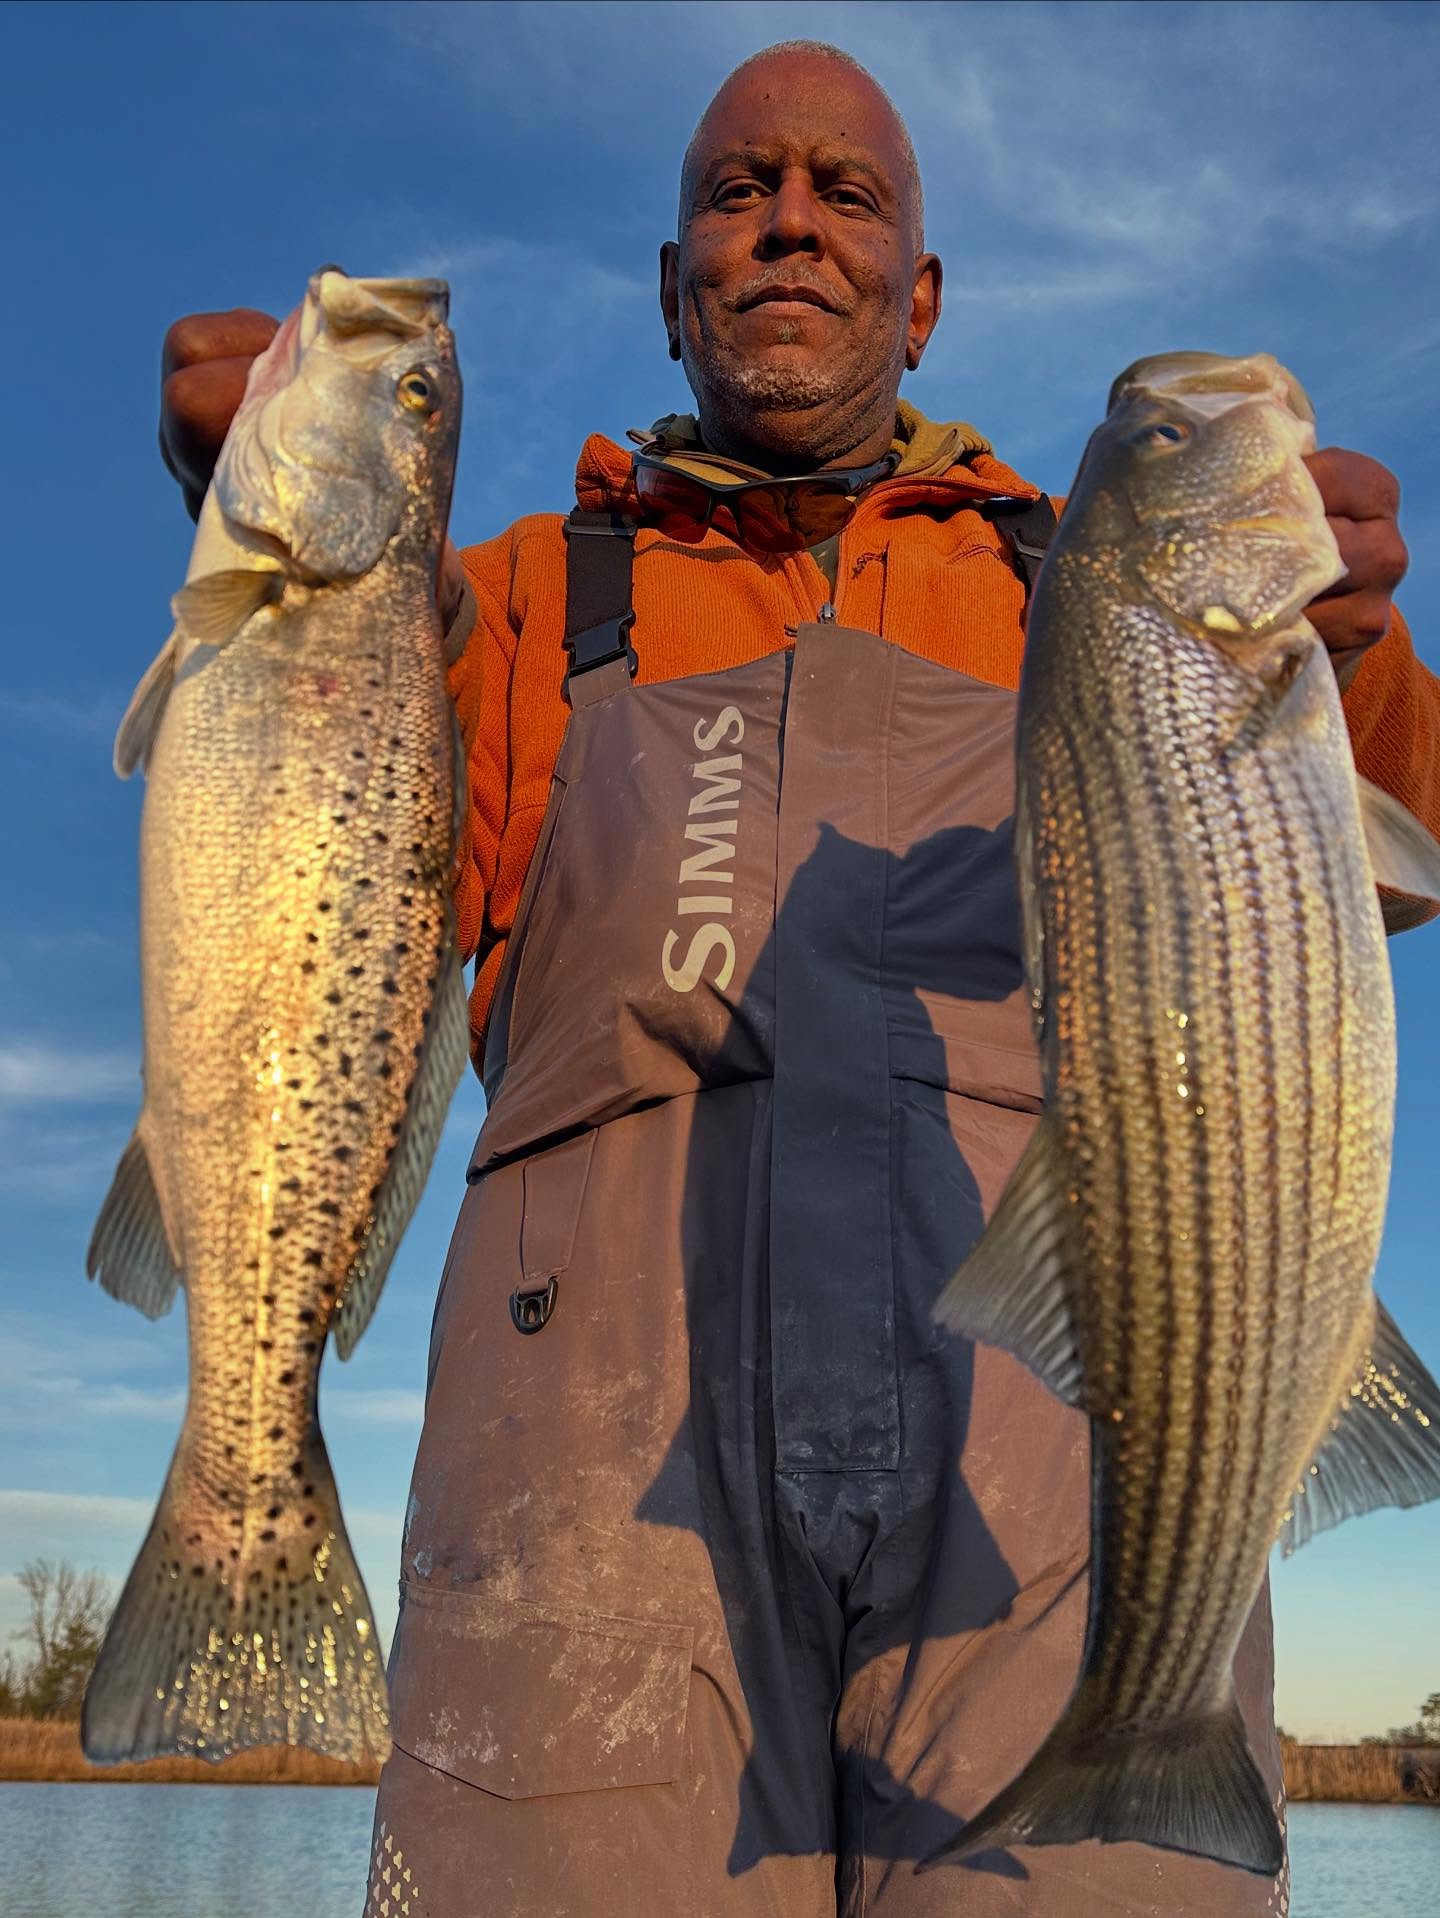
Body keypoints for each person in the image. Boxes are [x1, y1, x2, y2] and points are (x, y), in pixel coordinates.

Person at [159, 40, 1436, 1918]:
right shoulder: (520, 600)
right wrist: (295, 528)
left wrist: (1344, 652)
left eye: (846, 194)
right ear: (676, 284)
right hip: (581, 1503)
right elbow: (305, 879)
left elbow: (1360, 869)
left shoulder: (1089, 592)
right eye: (737, 192)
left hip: (1066, 1492)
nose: (788, 224)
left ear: (919, 297)